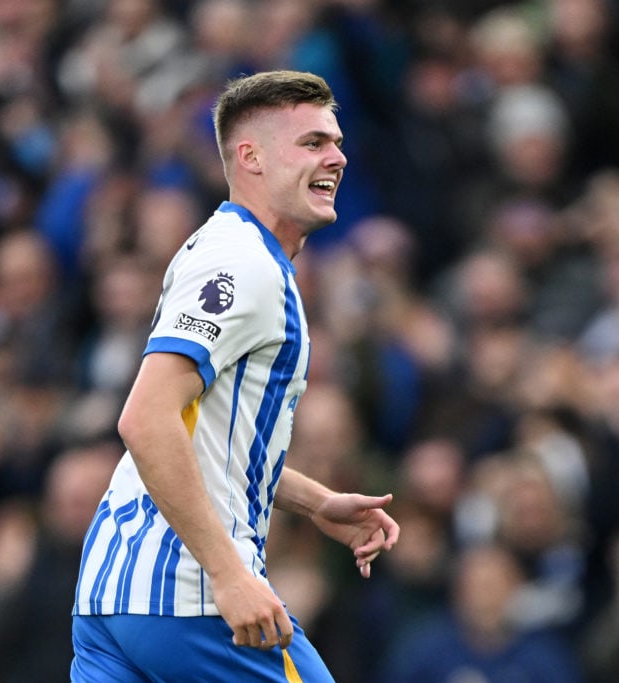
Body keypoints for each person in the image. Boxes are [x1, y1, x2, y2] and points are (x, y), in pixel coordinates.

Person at [70, 69, 400, 682]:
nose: (337, 157)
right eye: (312, 143)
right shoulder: (244, 264)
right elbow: (145, 420)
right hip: (185, 596)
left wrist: (315, 500)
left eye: (336, 141)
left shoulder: (223, 247)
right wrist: (227, 574)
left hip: (112, 597)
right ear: (250, 157)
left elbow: (204, 439)